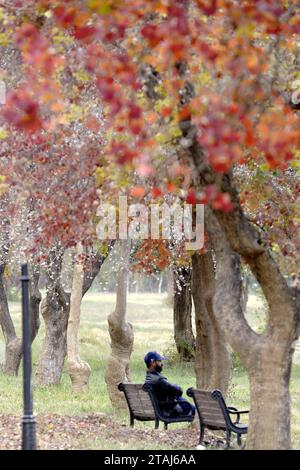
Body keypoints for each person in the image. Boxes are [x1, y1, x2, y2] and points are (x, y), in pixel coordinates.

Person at [144, 351, 195, 418]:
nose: (161, 364)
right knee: (197, 410)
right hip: (171, 409)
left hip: (163, 408)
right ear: (153, 363)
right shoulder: (159, 380)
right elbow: (178, 391)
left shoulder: (148, 378)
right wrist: (176, 386)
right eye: (159, 361)